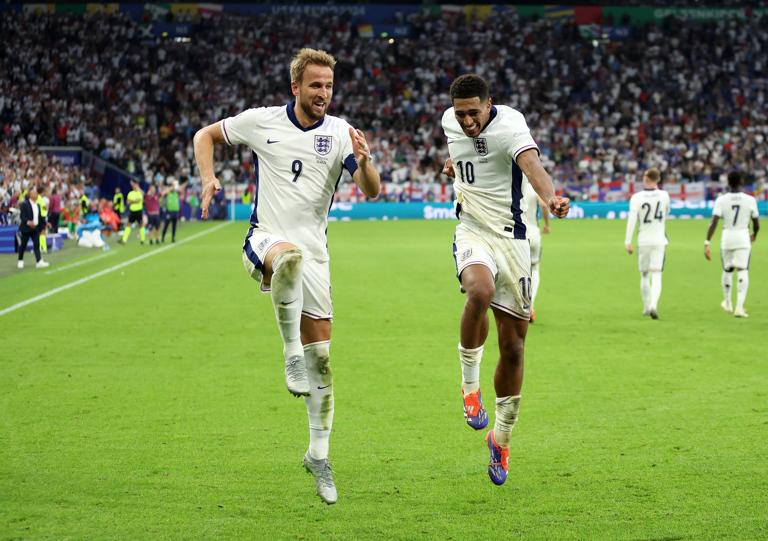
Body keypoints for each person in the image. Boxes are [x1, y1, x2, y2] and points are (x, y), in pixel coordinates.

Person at [193, 48, 380, 504]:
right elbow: (204, 135)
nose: (323, 94)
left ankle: (319, 456)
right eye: (315, 85)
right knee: (288, 259)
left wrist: (367, 160)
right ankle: (288, 353)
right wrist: (207, 178)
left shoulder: (341, 134)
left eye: (329, 87)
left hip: (317, 255)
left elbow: (371, 192)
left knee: (324, 364)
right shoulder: (263, 121)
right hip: (266, 239)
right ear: (295, 87)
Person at [441, 74, 569, 486]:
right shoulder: (449, 122)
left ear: (489, 103)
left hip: (514, 240)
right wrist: (455, 169)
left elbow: (532, 166)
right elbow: (463, 157)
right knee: (479, 289)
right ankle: (469, 388)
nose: (466, 121)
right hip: (472, 230)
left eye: (473, 112)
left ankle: (501, 437)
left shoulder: (512, 124)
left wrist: (550, 197)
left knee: (513, 347)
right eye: (460, 114)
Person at [704, 171, 760, 317]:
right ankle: (739, 307)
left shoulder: (721, 200)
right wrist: (754, 234)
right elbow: (756, 223)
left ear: (728, 182)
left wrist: (707, 242)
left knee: (727, 270)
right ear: (741, 182)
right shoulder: (750, 199)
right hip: (742, 238)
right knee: (742, 270)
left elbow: (714, 222)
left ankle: (728, 302)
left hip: (727, 238)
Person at [624, 168, 670, 319]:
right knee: (657, 274)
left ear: (646, 178)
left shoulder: (636, 197)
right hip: (659, 239)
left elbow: (632, 220)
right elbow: (666, 213)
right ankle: (653, 305)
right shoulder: (664, 195)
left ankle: (646, 306)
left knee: (644, 274)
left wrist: (628, 240)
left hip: (643, 240)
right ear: (658, 179)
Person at [522, 182, 550, 323]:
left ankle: (516, 306)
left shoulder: (511, 181)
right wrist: (547, 224)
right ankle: (530, 306)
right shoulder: (535, 184)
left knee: (517, 269)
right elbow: (544, 205)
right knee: (534, 269)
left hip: (516, 233)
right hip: (533, 231)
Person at [17, 185, 49, 269]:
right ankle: (20, 260)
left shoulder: (38, 205)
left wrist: (45, 224)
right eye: (34, 193)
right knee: (23, 245)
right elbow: (22, 216)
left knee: (36, 245)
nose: (36, 194)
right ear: (30, 195)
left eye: (36, 193)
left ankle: (39, 261)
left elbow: (40, 217)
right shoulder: (24, 204)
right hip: (27, 228)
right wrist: (28, 222)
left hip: (36, 228)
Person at [120, 179, 146, 244]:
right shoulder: (130, 193)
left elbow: (141, 198)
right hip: (132, 211)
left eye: (136, 185)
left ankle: (142, 239)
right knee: (129, 225)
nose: (135, 186)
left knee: (141, 225)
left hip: (139, 211)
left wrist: (133, 201)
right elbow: (128, 202)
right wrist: (134, 201)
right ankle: (124, 239)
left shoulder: (140, 192)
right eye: (134, 185)